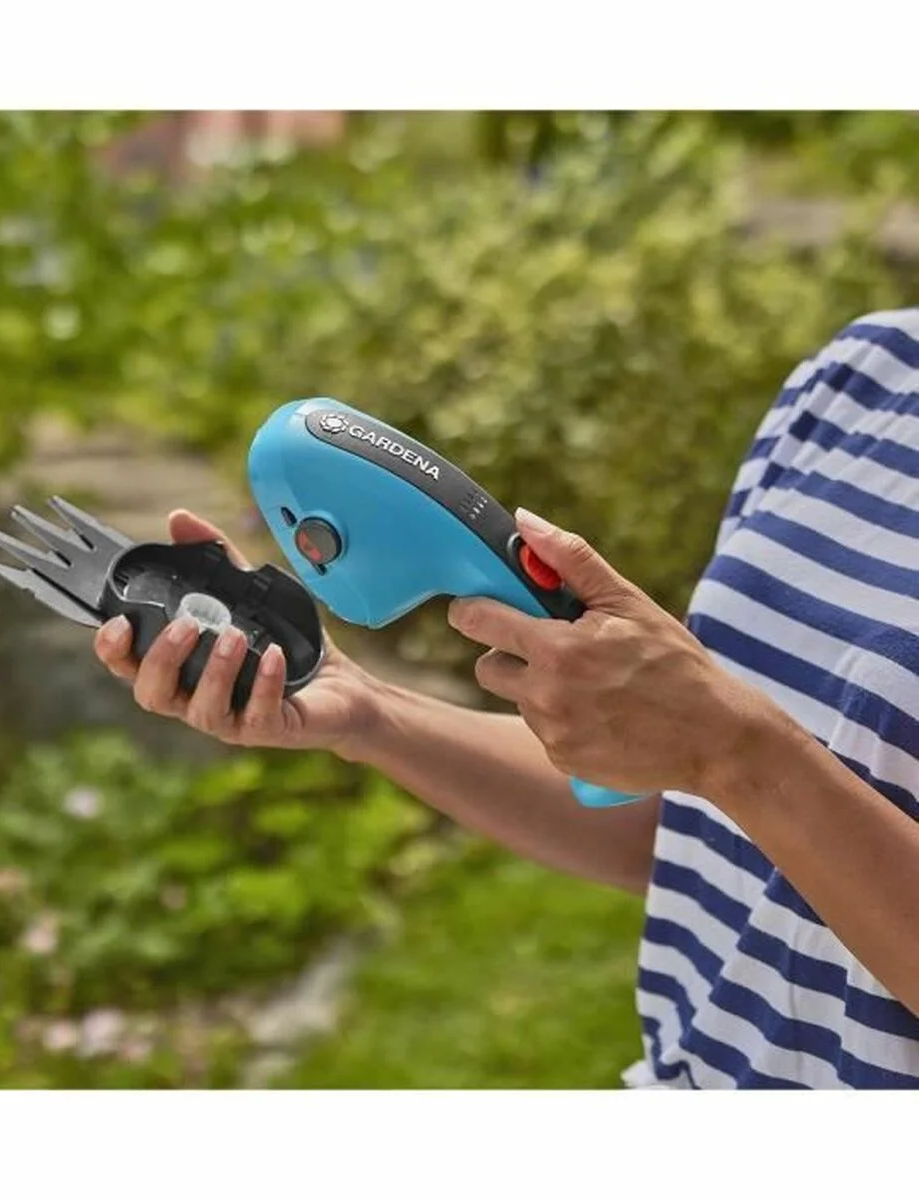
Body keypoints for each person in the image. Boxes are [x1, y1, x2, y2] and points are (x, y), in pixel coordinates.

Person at [94, 308, 919, 1089]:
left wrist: (731, 750)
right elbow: (700, 837)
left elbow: (740, 770)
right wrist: (371, 713)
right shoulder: (860, 380)